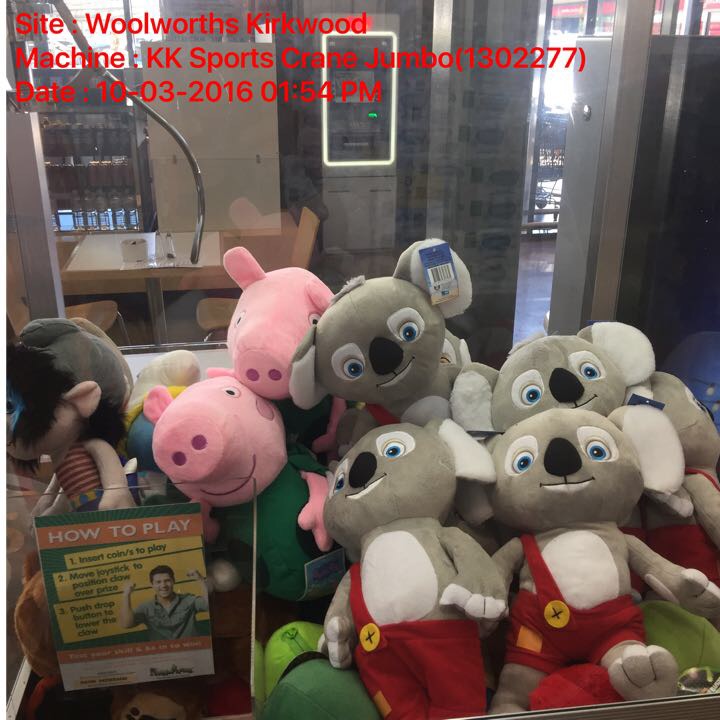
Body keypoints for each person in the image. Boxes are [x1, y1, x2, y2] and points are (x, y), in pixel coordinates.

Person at [119, 565, 209, 640]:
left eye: (167, 581)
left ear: (173, 581)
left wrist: (200, 580)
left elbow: (208, 605)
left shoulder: (188, 600)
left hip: (191, 652)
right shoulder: (146, 607)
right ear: (152, 585)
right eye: (158, 582)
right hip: (162, 654)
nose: (163, 585)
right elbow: (127, 624)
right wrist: (126, 595)